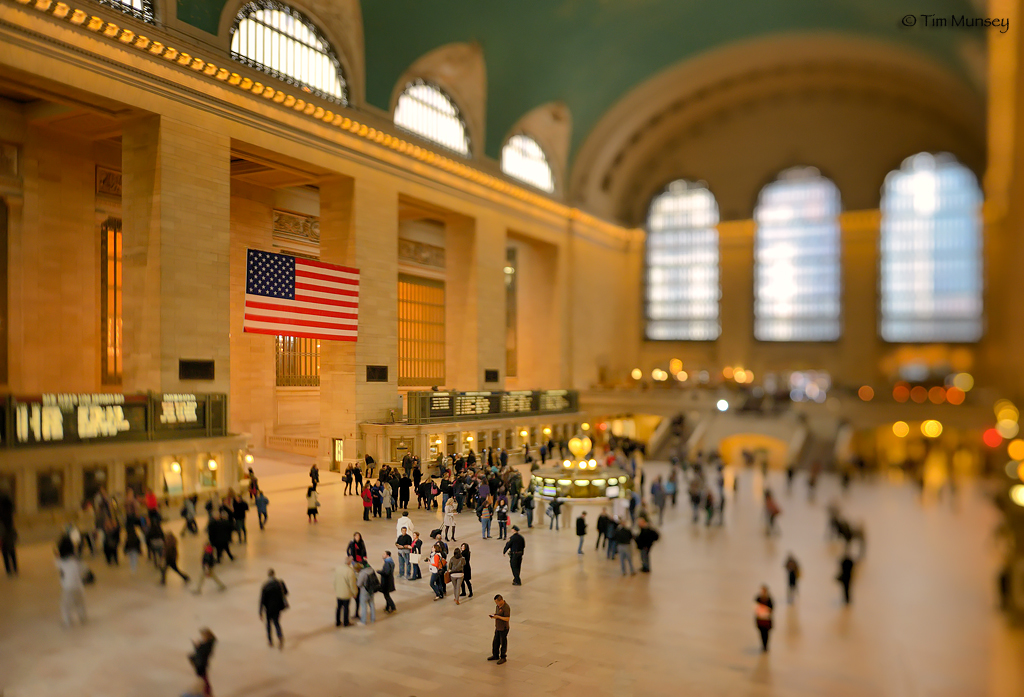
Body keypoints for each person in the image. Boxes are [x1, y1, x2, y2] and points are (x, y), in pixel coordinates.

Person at [56, 536, 86, 627]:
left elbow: (59, 570)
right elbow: (83, 569)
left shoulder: (60, 561)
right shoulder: (77, 559)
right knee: (79, 603)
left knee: (65, 605)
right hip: (78, 585)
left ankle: (67, 621)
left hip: (67, 587)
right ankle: (83, 618)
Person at [259, 568, 288, 649]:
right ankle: (280, 636)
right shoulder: (280, 583)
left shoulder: (265, 586)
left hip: (268, 608)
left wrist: (260, 611)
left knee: (268, 624)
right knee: (276, 623)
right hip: (277, 607)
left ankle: (270, 641)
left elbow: (262, 600)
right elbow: (286, 592)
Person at [188, 628, 216, 697]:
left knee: (203, 679)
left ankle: (207, 693)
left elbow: (201, 653)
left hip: (201, 664)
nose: (202, 638)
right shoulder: (208, 644)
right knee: (204, 678)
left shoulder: (207, 645)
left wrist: (197, 646)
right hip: (201, 663)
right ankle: (207, 692)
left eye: (203, 636)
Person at [334, 557, 359, 627]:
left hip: (339, 592)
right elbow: (352, 584)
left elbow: (335, 581)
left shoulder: (338, 569)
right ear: (349, 563)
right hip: (346, 593)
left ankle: (338, 621)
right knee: (346, 608)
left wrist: (336, 589)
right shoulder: (350, 571)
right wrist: (355, 593)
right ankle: (346, 622)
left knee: (338, 607)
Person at [488, 594, 511, 665]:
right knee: (495, 642)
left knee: (503, 642)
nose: (496, 604)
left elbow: (507, 618)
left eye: (497, 602)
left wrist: (498, 617)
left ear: (501, 600)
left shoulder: (506, 607)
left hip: (503, 628)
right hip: (498, 627)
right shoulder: (498, 606)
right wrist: (494, 616)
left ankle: (503, 657)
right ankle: (495, 655)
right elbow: (498, 614)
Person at [755, 585, 774, 652]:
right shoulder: (758, 598)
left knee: (766, 634)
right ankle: (763, 646)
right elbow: (755, 607)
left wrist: (766, 611)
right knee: (761, 634)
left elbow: (772, 608)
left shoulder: (769, 599)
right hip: (760, 620)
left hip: (767, 620)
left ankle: (766, 646)